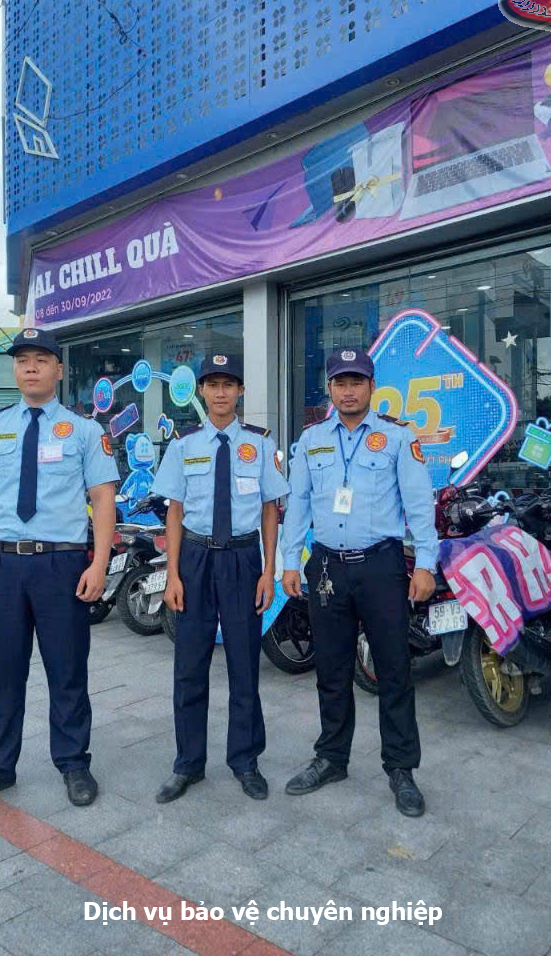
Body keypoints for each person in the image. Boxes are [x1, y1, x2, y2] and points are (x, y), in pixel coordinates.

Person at [0, 328, 119, 811]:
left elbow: (103, 499)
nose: (30, 367)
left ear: (58, 370)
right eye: (23, 360)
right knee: (2, 671)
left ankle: (73, 762)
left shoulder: (85, 431)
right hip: (1, 564)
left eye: (41, 359)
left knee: (68, 669)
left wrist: (99, 563)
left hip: (62, 564)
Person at [282, 349, 438, 817]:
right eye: (340, 382)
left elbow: (419, 503)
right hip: (327, 567)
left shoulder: (397, 437)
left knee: (394, 669)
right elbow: (298, 504)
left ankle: (401, 768)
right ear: (329, 388)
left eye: (356, 382)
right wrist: (290, 561)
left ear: (372, 386)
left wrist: (426, 563)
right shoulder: (311, 440)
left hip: (380, 566)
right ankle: (332, 757)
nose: (348, 391)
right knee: (331, 670)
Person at [152, 354, 289, 803]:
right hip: (194, 559)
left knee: (244, 665)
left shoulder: (260, 444)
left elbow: (270, 509)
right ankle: (188, 764)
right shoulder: (183, 444)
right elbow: (174, 512)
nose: (221, 392)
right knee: (189, 666)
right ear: (202, 391)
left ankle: (245, 761)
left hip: (243, 560)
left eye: (229, 384)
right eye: (213, 385)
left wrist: (268, 571)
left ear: (241, 391)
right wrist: (172, 574)